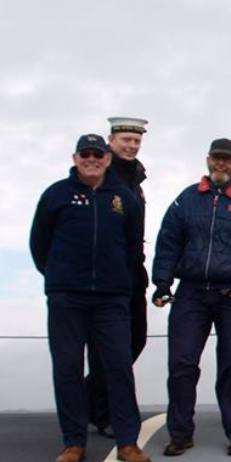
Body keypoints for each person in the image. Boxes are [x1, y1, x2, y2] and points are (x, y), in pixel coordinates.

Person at [151, 138, 231, 457]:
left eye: (227, 160)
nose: (220, 165)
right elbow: (168, 241)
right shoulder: (186, 200)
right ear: (208, 160)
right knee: (182, 363)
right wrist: (162, 282)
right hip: (191, 294)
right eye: (216, 159)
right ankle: (180, 433)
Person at [29, 134, 150, 462]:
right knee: (67, 367)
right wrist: (59, 278)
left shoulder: (124, 198)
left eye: (98, 154)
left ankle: (128, 441)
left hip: (111, 299)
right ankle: (73, 442)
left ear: (108, 158)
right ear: (76, 157)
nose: (93, 159)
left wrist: (120, 282)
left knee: (118, 367)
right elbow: (40, 245)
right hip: (67, 297)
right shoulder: (56, 196)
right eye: (87, 153)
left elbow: (132, 248)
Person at [85, 116, 150, 439]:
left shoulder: (135, 178)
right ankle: (102, 411)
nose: (132, 145)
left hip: (132, 270)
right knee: (105, 348)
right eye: (126, 139)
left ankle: (88, 398)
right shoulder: (100, 176)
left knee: (135, 339)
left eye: (136, 141)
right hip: (105, 276)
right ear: (111, 140)